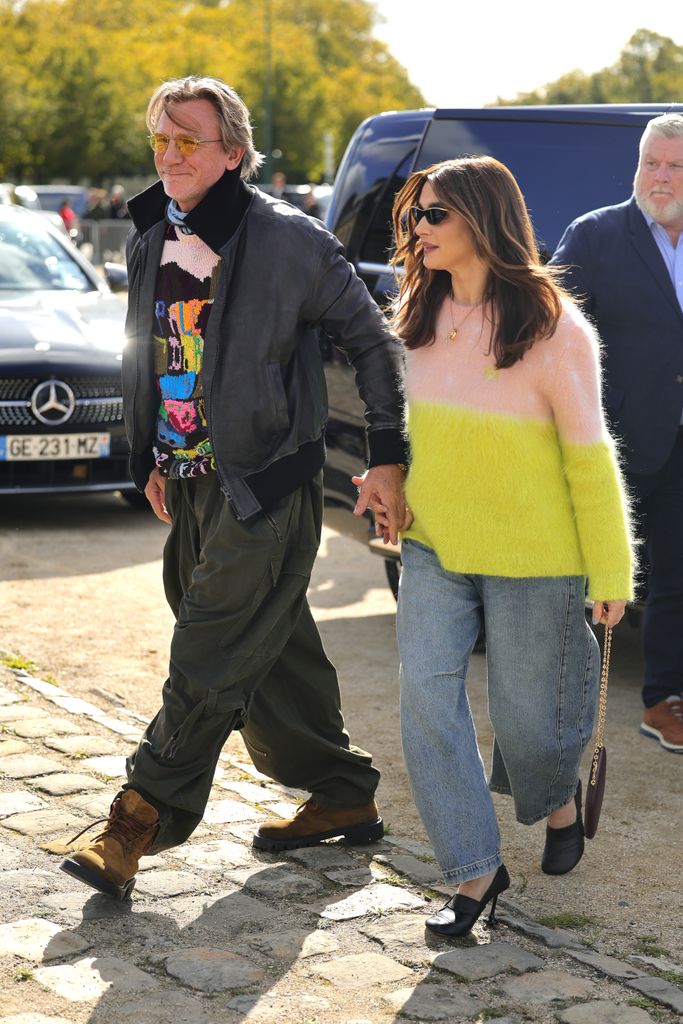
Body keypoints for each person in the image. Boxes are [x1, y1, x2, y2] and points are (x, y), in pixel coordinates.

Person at [59, 75, 407, 901]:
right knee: (265, 639)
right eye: (161, 140)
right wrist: (150, 451)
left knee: (209, 647)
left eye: (189, 140)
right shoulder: (151, 236)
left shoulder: (291, 241)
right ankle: (341, 792)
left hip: (266, 483)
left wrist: (387, 454)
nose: (171, 154)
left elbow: (375, 346)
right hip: (186, 479)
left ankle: (136, 822)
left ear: (234, 153)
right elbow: (154, 354)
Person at [377, 156, 634, 938]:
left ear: (480, 221)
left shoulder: (556, 330)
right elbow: (422, 435)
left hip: (535, 555)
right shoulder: (418, 317)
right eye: (414, 215)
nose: (417, 230)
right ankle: (473, 871)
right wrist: (392, 487)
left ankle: (555, 801)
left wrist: (610, 566)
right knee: (425, 699)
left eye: (433, 216)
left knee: (526, 724)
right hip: (434, 546)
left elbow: (590, 461)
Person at [550, 113, 683, 754]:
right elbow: (553, 337)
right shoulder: (596, 235)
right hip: (613, 439)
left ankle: (662, 701)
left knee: (677, 574)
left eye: (675, 166)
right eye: (651, 162)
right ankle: (561, 699)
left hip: (681, 442)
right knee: (585, 572)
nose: (660, 176)